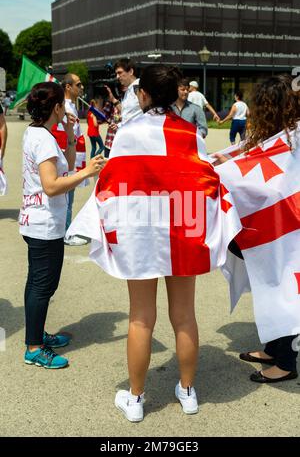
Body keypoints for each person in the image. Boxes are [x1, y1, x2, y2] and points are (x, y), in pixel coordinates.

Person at [66, 65, 240, 421]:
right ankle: (188, 392)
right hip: (184, 230)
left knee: (141, 319)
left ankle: (135, 398)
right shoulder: (191, 133)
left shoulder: (128, 133)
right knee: (185, 316)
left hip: (141, 232)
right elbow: (206, 180)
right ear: (177, 93)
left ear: (142, 95)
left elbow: (112, 182)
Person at [214, 75, 300, 383]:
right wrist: (228, 165)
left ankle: (287, 363)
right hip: (276, 227)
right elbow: (255, 167)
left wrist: (229, 172)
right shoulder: (277, 137)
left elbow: (277, 185)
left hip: (288, 229)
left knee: (285, 287)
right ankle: (273, 348)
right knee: (270, 283)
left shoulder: (293, 138)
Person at [19, 82, 105, 369]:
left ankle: (36, 334)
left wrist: (69, 136)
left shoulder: (39, 133)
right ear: (56, 107)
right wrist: (87, 172)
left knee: (40, 283)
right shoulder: (42, 139)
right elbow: (52, 185)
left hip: (39, 221)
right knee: (43, 285)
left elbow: (63, 167)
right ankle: (34, 347)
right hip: (43, 222)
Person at [61, 73, 89, 246]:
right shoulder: (64, 107)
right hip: (67, 157)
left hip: (73, 155)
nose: (82, 87)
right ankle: (65, 233)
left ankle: (66, 230)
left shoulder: (70, 105)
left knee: (69, 197)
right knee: (67, 198)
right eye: (78, 84)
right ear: (68, 87)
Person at [114, 58, 142, 124]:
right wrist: (120, 124)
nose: (117, 77)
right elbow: (130, 115)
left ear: (130, 72)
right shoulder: (128, 90)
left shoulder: (141, 87)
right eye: (116, 74)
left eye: (120, 72)